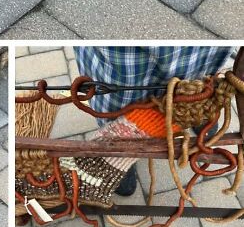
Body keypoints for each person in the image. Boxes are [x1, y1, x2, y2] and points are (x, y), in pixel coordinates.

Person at [73, 45, 234, 196]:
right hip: (128, 65)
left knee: (206, 68)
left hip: (203, 58)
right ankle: (115, 155)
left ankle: (199, 112)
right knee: (122, 96)